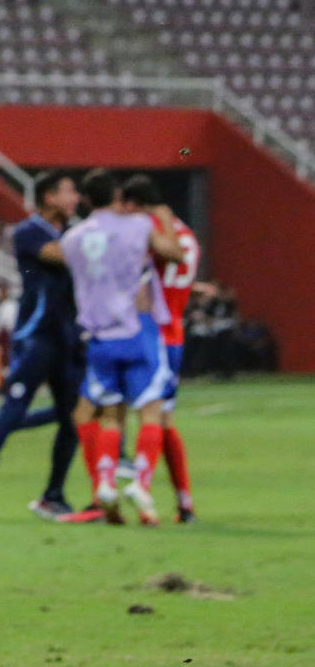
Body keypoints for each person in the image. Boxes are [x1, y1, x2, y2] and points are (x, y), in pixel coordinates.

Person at [0, 172, 82, 523]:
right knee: (13, 408)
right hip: (35, 336)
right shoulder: (29, 232)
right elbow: (62, 256)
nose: (76, 197)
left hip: (67, 337)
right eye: (70, 190)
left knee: (76, 416)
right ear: (49, 197)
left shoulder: (74, 233)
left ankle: (53, 495)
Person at [59, 170, 184, 525]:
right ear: (116, 196)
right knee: (150, 412)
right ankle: (142, 483)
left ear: (85, 200)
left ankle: (105, 482)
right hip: (135, 330)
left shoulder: (72, 239)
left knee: (110, 417)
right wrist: (162, 218)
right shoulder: (138, 226)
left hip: (99, 338)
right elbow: (174, 253)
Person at [126, 175, 199, 523]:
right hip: (175, 335)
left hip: (151, 334)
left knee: (119, 413)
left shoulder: (152, 232)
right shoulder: (188, 235)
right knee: (164, 419)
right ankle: (184, 502)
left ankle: (138, 488)